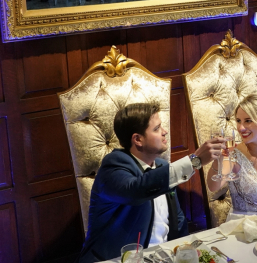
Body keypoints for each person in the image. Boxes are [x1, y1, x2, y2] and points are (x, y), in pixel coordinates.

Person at [78, 103, 225, 263]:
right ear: (138, 139)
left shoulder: (162, 167)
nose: (165, 132)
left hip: (161, 257)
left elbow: (178, 220)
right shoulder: (113, 165)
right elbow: (137, 190)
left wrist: (187, 254)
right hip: (117, 259)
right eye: (157, 128)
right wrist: (193, 162)